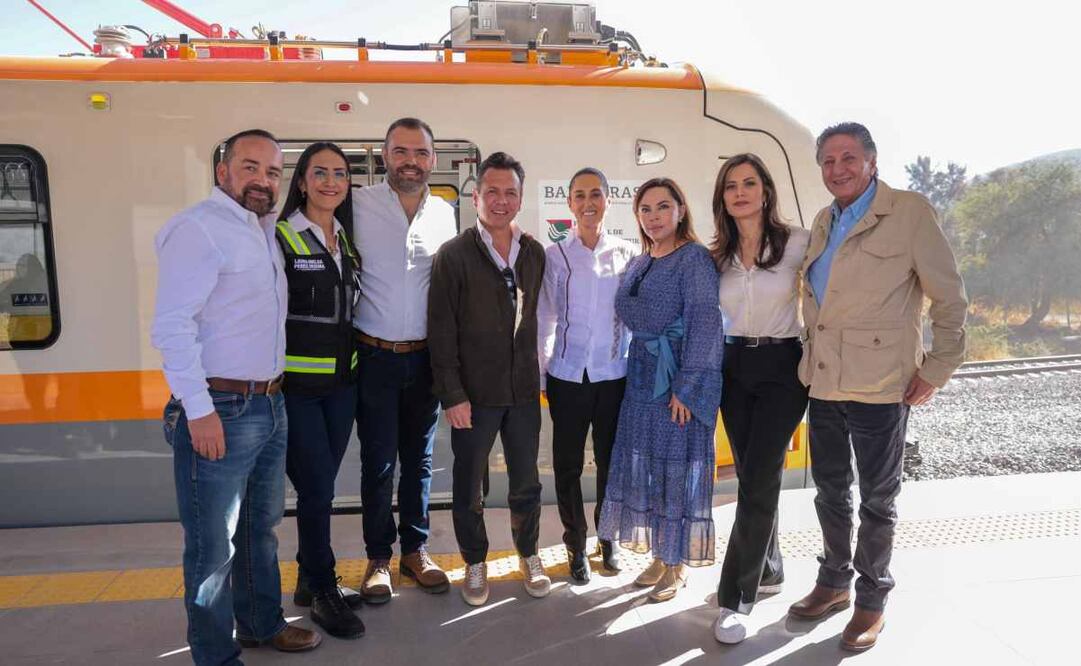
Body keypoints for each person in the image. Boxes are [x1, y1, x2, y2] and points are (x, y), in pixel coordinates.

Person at [790, 122, 967, 652]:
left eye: (847, 158)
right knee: (829, 492)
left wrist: (935, 368)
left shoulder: (909, 212)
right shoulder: (824, 220)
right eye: (827, 161)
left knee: (877, 500)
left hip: (882, 385)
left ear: (871, 160)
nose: (837, 169)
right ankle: (833, 581)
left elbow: (951, 298)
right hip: (822, 383)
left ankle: (872, 598)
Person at [152, 129, 321, 665]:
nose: (263, 180)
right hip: (220, 409)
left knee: (259, 530)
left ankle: (260, 623)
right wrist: (199, 412)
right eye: (250, 167)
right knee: (211, 550)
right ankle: (214, 655)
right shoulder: (199, 229)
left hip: (269, 404)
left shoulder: (262, 230)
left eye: (273, 172)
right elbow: (172, 327)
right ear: (222, 169)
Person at [428, 151, 549, 606]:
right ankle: (474, 562)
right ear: (476, 196)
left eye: (510, 193)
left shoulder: (534, 253)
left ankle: (529, 555)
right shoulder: (454, 256)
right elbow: (440, 332)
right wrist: (452, 395)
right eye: (492, 192)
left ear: (520, 199)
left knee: (526, 483)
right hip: (472, 398)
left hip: (521, 394)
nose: (501, 201)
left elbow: (540, 318)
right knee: (470, 486)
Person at [597, 177, 723, 603]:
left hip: (676, 381)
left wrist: (686, 388)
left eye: (662, 207)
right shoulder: (640, 261)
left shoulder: (694, 260)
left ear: (681, 211)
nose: (654, 217)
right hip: (641, 380)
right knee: (648, 471)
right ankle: (660, 554)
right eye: (645, 209)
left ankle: (677, 564)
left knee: (675, 471)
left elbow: (706, 324)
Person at [352, 118, 456, 603]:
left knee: (420, 463)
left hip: (425, 361)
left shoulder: (445, 214)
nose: (410, 161)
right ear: (384, 155)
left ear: (432, 159)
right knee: (378, 464)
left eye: (419, 152)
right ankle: (378, 558)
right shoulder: (358, 204)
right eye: (400, 152)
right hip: (374, 356)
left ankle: (415, 552)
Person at [708, 154, 810, 643]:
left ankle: (735, 597)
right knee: (751, 476)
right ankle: (768, 570)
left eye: (749, 183)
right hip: (733, 369)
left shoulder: (798, 243)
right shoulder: (717, 255)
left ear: (766, 191)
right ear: (722, 198)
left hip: (782, 369)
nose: (741, 192)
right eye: (731, 186)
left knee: (761, 476)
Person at [274, 142, 365, 639]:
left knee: (321, 489)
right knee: (316, 489)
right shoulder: (282, 237)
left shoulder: (343, 240)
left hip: (341, 388)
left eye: (340, 174)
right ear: (303, 182)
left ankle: (309, 580)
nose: (331, 182)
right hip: (297, 391)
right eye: (320, 173)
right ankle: (324, 589)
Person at [537, 167, 636, 582]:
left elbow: (633, 316)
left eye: (596, 194)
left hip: (613, 375)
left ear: (608, 201)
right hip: (567, 376)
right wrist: (543, 373)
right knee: (568, 465)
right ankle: (576, 544)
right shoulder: (555, 255)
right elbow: (545, 315)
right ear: (570, 203)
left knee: (611, 462)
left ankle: (607, 538)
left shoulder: (628, 254)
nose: (588, 202)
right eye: (580, 195)